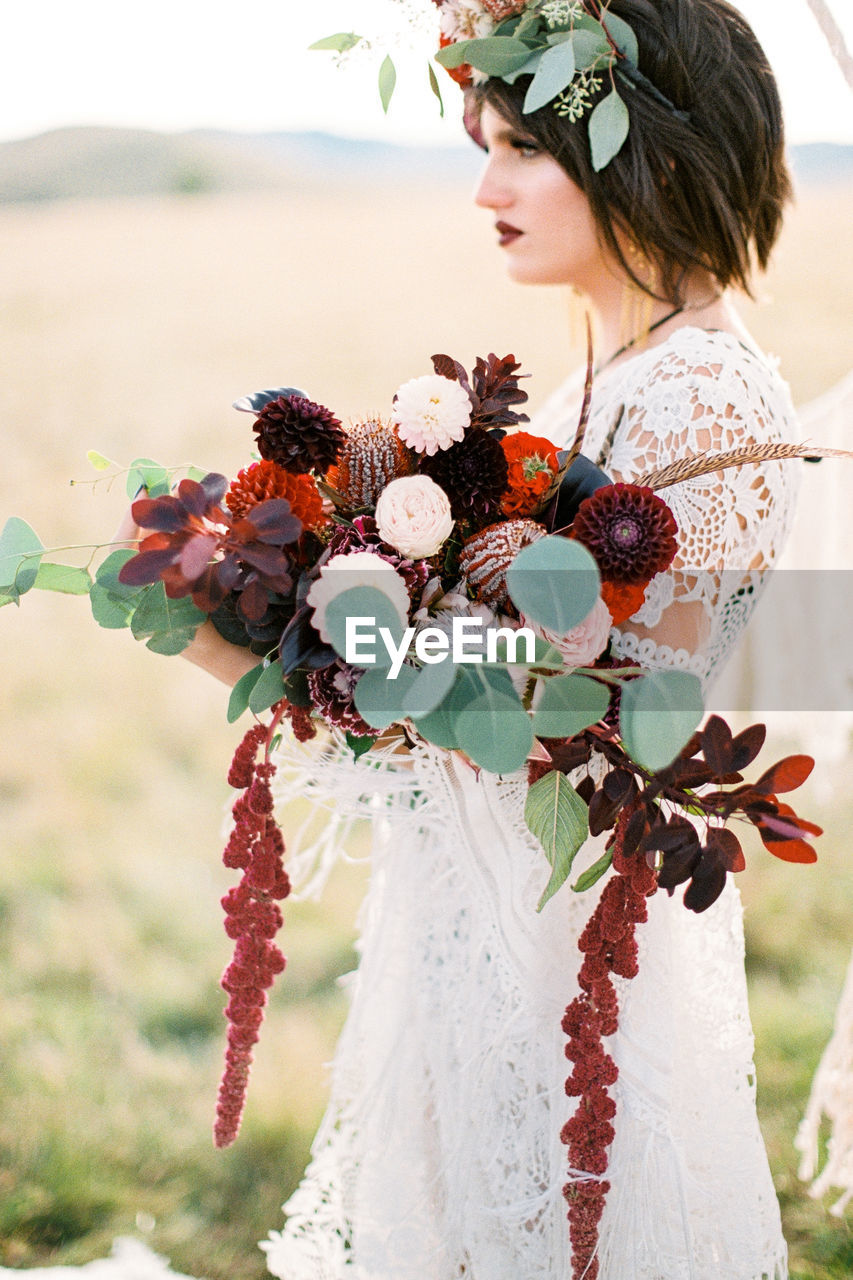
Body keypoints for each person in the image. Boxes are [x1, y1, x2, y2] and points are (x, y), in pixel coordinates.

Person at [0, 1, 805, 1277]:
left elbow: (610, 712)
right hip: (484, 905)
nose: (483, 185)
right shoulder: (615, 369)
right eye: (477, 142)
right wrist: (285, 617)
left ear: (644, 145)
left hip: (573, 938)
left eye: (521, 147)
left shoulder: (705, 386)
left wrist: (319, 651)